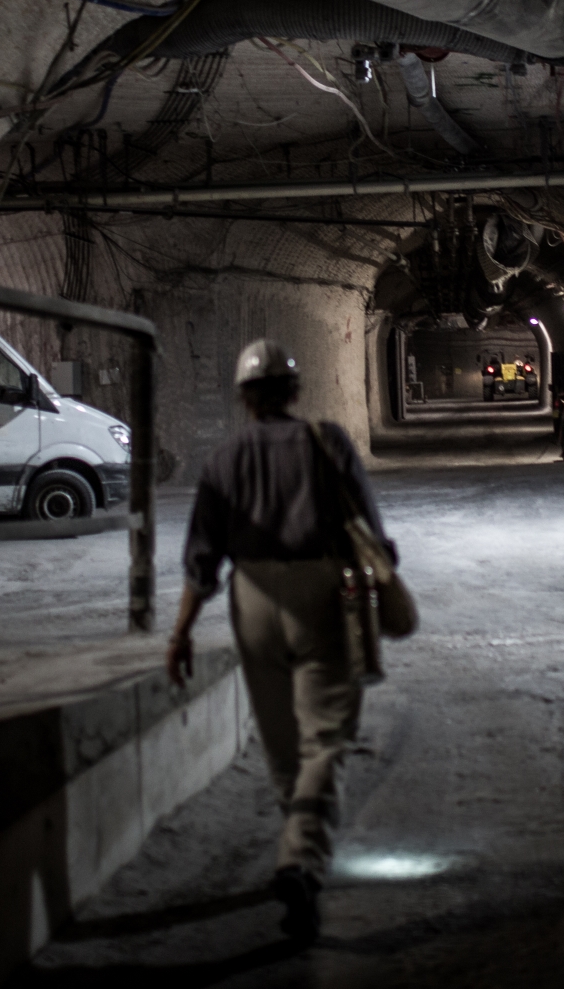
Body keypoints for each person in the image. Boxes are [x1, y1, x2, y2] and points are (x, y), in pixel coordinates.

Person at [164, 338, 393, 944]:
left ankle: (297, 842)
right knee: (327, 739)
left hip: (252, 598)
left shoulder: (222, 460)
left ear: (243, 399)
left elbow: (200, 561)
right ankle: (300, 861)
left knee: (282, 743)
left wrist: (181, 633)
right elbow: (374, 531)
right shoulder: (328, 443)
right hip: (322, 593)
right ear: (295, 392)